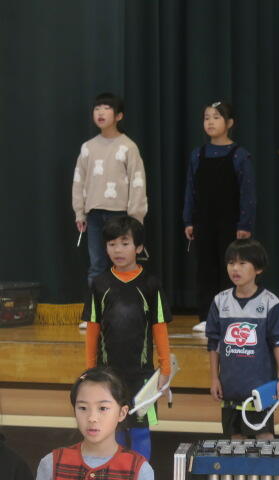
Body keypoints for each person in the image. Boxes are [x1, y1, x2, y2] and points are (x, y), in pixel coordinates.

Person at [83, 216, 172, 460]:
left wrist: (165, 369)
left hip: (142, 377)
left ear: (139, 247)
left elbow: (159, 328)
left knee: (140, 431)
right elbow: (92, 330)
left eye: (124, 243)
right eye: (112, 244)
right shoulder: (99, 284)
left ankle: (142, 473)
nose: (118, 250)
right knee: (115, 429)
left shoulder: (151, 284)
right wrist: (90, 370)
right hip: (108, 376)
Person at [72, 92, 148, 329]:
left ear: (119, 115)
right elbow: (78, 181)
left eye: (106, 108)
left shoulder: (128, 147)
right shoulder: (88, 148)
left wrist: (135, 218)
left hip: (120, 214)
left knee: (124, 262)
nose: (100, 113)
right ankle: (94, 314)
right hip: (95, 213)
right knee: (97, 264)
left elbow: (138, 181)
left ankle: (125, 310)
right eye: (97, 108)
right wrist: (80, 212)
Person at [206, 239, 279, 440]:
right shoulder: (220, 301)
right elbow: (213, 343)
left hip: (260, 389)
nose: (235, 268)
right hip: (230, 389)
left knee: (264, 440)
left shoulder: (270, 302)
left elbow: (278, 343)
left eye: (242, 263)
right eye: (231, 263)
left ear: (258, 269)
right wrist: (214, 378)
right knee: (235, 443)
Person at [183, 101, 257, 333]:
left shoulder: (239, 155)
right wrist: (188, 220)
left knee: (231, 267)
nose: (210, 122)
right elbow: (191, 189)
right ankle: (207, 316)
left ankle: (230, 314)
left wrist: (245, 224)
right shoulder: (198, 154)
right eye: (207, 117)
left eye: (216, 117)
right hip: (204, 221)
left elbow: (247, 192)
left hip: (230, 222)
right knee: (205, 269)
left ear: (229, 123)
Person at [36, 368, 154, 480]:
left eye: (103, 408)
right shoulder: (51, 464)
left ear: (122, 413)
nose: (92, 418)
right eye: (83, 408)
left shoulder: (139, 470)